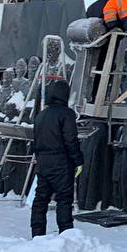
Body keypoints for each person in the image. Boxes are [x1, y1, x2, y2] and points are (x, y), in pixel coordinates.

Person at [29, 78, 84, 237]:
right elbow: (70, 140)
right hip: (61, 162)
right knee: (64, 200)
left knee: (40, 200)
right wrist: (78, 161)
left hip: (43, 163)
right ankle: (65, 235)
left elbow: (36, 140)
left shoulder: (41, 115)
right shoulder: (66, 114)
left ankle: (37, 235)